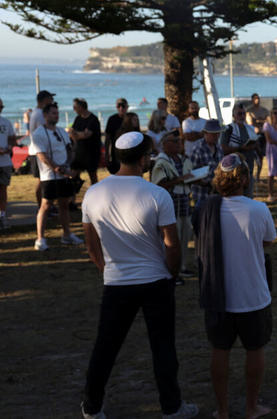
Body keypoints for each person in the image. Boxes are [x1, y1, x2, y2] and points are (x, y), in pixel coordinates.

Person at [81, 132, 198, 419]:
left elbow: (91, 244)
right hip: (155, 280)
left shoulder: (94, 193)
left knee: (105, 347)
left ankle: (92, 407)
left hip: (117, 282)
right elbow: (172, 243)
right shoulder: (157, 194)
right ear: (144, 158)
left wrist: (105, 269)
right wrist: (171, 274)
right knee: (163, 347)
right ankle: (172, 407)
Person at [193, 153, 277, 419]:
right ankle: (251, 408)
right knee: (255, 350)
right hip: (253, 294)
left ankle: (223, 410)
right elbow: (267, 242)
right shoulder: (259, 209)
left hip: (218, 295)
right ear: (243, 179)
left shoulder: (205, 209)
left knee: (220, 350)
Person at [30, 102, 83, 251]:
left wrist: (69, 165)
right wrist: (58, 168)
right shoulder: (39, 133)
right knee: (46, 206)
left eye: (57, 113)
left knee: (64, 205)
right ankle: (40, 239)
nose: (56, 115)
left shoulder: (61, 131)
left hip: (63, 175)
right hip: (49, 176)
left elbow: (69, 149)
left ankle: (67, 235)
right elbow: (42, 156)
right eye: (53, 113)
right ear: (45, 115)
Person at [151, 133, 194, 280]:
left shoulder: (183, 159)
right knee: (172, 238)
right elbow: (159, 184)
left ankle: (181, 267)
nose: (178, 144)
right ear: (165, 144)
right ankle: (170, 269)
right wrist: (179, 180)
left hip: (184, 202)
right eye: (174, 141)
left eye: (179, 141)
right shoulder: (161, 162)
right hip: (171, 203)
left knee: (185, 234)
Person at [220, 104, 258, 198]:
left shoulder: (250, 129)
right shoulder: (228, 129)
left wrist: (255, 145)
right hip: (234, 171)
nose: (242, 116)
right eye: (239, 114)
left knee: (248, 197)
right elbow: (223, 149)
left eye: (243, 114)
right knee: (236, 197)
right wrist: (241, 148)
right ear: (233, 115)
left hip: (248, 168)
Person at [190, 119, 224, 208]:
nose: (216, 136)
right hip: (201, 194)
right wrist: (207, 183)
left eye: (218, 133)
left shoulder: (219, 148)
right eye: (213, 134)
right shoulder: (198, 149)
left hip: (216, 194)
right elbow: (191, 174)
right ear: (205, 133)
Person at [29, 90, 55, 206]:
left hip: (38, 150)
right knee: (42, 180)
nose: (52, 101)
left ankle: (46, 205)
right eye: (50, 98)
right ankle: (43, 206)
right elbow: (44, 132)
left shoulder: (37, 112)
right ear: (44, 100)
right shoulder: (39, 114)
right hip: (38, 151)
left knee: (44, 180)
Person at [0, 97, 22, 229]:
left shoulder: (6, 122)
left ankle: (2, 216)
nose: (1, 109)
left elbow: (13, 139)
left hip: (5, 162)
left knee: (3, 190)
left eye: (2, 107)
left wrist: (8, 148)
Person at [69, 98, 102, 185]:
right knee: (74, 175)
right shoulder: (78, 118)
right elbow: (72, 134)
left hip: (91, 153)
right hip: (79, 152)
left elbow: (86, 135)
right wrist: (78, 134)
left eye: (75, 107)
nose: (74, 109)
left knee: (93, 176)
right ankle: (72, 195)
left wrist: (77, 134)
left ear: (81, 107)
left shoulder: (93, 119)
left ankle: (95, 195)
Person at [247, 93, 269, 183]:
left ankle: (258, 176)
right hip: (254, 136)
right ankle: (250, 175)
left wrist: (258, 120)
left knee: (261, 156)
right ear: (252, 100)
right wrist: (260, 121)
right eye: (255, 99)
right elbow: (250, 123)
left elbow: (268, 121)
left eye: (258, 98)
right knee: (252, 156)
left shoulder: (263, 110)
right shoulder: (249, 111)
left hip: (263, 135)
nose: (257, 100)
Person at [105, 98, 129, 175]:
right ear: (116, 107)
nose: (121, 108)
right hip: (115, 152)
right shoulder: (112, 119)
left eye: (123, 106)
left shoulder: (131, 118)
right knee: (116, 174)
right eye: (119, 106)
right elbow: (107, 138)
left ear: (127, 107)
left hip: (129, 152)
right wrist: (106, 154)